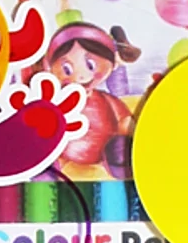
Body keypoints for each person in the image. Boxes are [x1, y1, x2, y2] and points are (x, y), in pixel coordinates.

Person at [35, 23, 142, 173]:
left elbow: (124, 121)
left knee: (119, 155)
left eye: (90, 65)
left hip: (107, 158)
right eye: (67, 69)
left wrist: (130, 136)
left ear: (113, 62)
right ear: (49, 67)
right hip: (64, 158)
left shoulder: (107, 100)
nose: (81, 76)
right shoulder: (58, 102)